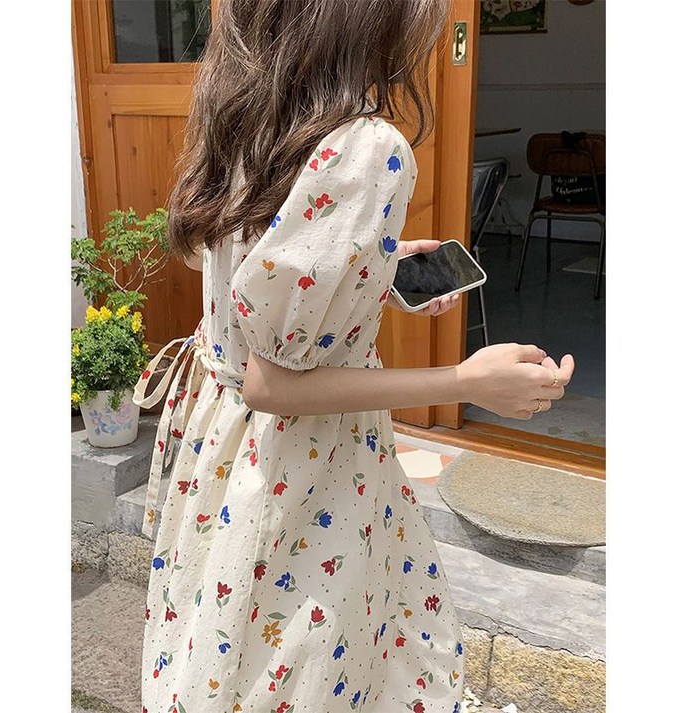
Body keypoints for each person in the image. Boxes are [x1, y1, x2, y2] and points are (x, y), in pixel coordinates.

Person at [132, 1, 575, 711]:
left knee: (233, 650)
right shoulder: (366, 145)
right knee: (312, 662)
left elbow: (252, 284)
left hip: (224, 447)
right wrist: (467, 380)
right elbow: (273, 382)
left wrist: (374, 269)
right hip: (305, 461)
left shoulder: (244, 119)